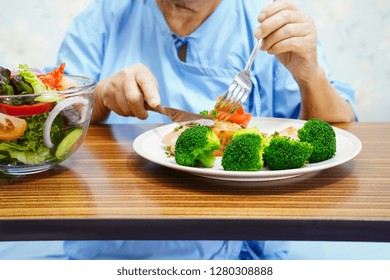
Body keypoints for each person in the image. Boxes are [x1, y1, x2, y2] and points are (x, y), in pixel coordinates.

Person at [52, 0, 356, 260]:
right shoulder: (105, 16)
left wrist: (310, 77)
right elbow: (55, 119)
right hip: (118, 240)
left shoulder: (268, 22)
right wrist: (102, 98)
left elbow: (334, 135)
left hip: (246, 242)